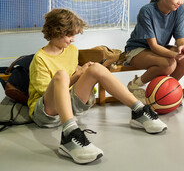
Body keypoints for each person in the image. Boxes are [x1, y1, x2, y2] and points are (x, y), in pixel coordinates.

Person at [28, 8, 167, 165]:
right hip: (46, 114)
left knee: (96, 68)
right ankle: (69, 136)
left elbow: (72, 79)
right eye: (69, 35)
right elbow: (47, 92)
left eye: (74, 35)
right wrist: (78, 75)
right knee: (61, 75)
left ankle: (139, 111)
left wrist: (83, 71)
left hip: (68, 105)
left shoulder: (71, 50)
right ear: (55, 32)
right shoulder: (40, 58)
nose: (73, 39)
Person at [124, 0, 184, 101]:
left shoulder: (178, 11)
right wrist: (174, 54)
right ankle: (135, 85)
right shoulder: (147, 11)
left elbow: (180, 38)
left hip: (158, 48)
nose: (180, 2)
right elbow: (154, 46)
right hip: (137, 50)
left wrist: (183, 46)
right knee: (169, 64)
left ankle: (166, 91)